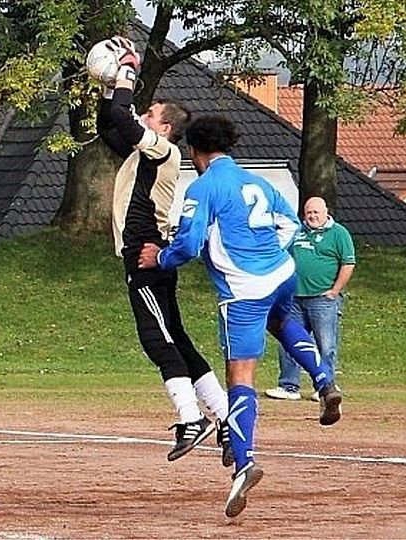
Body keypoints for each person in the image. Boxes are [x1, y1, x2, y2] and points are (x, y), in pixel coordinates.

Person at [138, 115, 343, 518]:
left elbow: (190, 243)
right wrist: (268, 254)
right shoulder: (258, 181)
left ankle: (245, 462)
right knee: (283, 322)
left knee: (240, 379)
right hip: (282, 273)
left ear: (194, 151)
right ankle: (323, 380)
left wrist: (159, 258)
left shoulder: (203, 187)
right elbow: (288, 222)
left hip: (245, 289)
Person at [97, 36, 232, 466]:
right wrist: (106, 86)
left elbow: (122, 112)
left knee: (157, 341)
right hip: (145, 250)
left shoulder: (163, 150)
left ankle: (191, 417)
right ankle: (228, 420)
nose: (141, 115)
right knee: (178, 339)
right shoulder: (145, 152)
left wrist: (127, 71)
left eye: (150, 114)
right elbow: (109, 123)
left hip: (146, 252)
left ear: (165, 127)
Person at [265, 196, 356, 402]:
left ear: (325, 212)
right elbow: (281, 255)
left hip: (323, 299)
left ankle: (325, 386)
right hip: (294, 299)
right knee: (289, 342)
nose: (312, 216)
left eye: (316, 212)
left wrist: (335, 290)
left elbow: (348, 263)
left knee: (326, 344)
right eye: (309, 212)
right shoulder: (296, 232)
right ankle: (289, 385)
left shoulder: (339, 233)